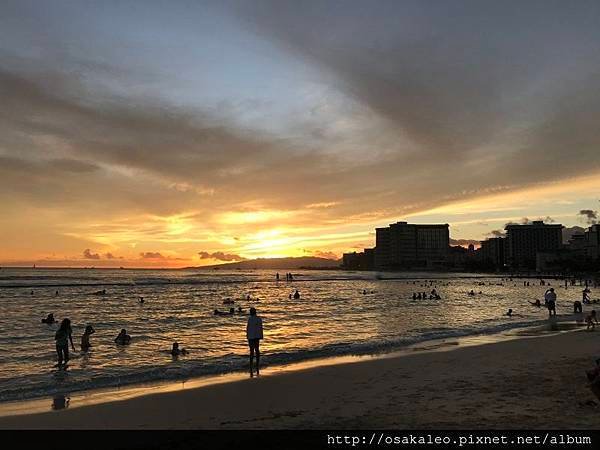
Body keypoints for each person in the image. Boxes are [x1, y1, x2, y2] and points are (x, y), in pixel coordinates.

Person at [246, 307, 263, 377]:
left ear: (251, 312)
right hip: (257, 336)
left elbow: (248, 328)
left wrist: (247, 336)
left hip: (251, 337)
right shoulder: (259, 319)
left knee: (251, 351)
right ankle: (257, 364)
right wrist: (261, 336)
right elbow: (260, 328)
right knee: (257, 350)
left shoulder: (250, 319)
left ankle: (251, 365)